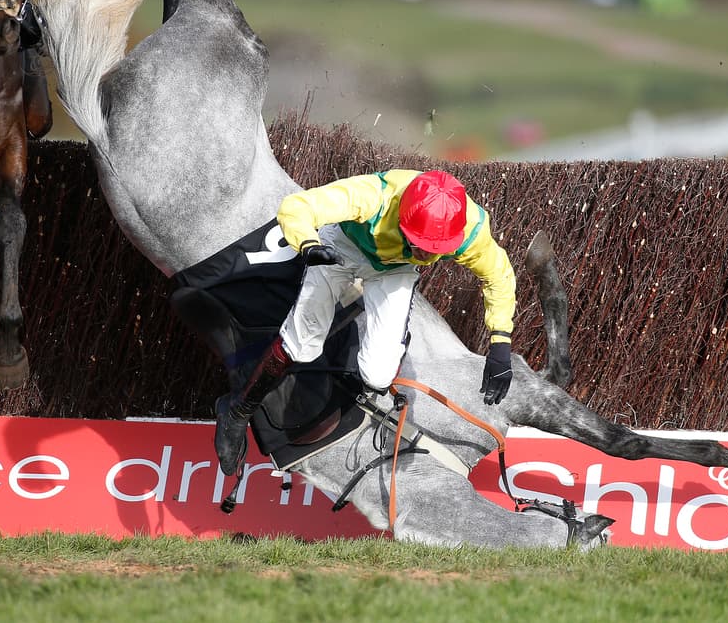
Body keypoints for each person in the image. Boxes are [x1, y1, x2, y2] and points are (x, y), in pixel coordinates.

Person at [213, 168, 517, 475]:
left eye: (433, 249)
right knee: (301, 345)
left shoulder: (471, 230)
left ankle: (356, 312)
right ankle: (237, 410)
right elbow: (297, 206)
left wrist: (501, 342)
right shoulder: (374, 195)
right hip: (342, 247)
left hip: (395, 269)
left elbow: (499, 277)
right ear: (402, 217)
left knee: (378, 377)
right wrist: (308, 244)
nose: (425, 253)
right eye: (419, 243)